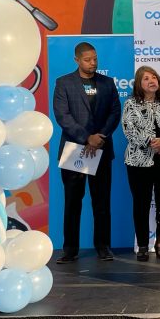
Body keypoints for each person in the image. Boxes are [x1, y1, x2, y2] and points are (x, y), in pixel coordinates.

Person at [52, 41, 121, 263]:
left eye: (95, 59)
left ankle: (104, 247)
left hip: (101, 148)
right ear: (77, 60)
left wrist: (99, 137)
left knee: (102, 202)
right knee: (72, 202)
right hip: (74, 150)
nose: (92, 63)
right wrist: (86, 138)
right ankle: (70, 249)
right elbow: (62, 116)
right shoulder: (63, 83)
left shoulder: (107, 83)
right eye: (87, 60)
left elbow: (114, 112)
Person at [122, 66, 160, 261]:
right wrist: (152, 141)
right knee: (141, 204)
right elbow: (129, 129)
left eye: (154, 77)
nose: (151, 80)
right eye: (146, 78)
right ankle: (143, 246)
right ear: (139, 84)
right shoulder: (131, 104)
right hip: (139, 162)